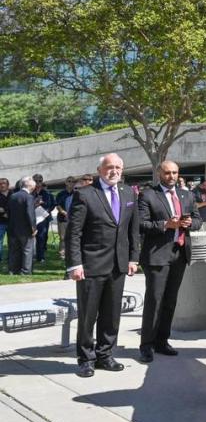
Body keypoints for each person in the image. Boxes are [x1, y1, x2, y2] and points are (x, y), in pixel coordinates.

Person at [66, 153, 140, 377]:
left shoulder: (129, 193)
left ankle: (105, 355)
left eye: (118, 167)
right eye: (109, 167)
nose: (114, 171)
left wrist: (133, 258)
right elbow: (74, 233)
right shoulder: (85, 194)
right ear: (100, 170)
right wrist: (74, 264)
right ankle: (86, 359)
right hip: (91, 265)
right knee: (88, 315)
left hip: (118, 265)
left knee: (112, 314)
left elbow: (132, 229)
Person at [137, 160, 201, 363]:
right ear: (159, 173)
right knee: (155, 300)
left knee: (170, 301)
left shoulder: (187, 195)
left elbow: (198, 220)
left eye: (174, 173)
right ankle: (146, 345)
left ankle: (162, 341)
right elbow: (141, 223)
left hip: (179, 253)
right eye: (167, 173)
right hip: (157, 255)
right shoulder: (148, 195)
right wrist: (166, 224)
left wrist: (191, 223)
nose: (171, 176)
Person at [7, 176, 37, 275]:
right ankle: (25, 271)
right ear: (31, 186)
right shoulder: (29, 197)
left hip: (13, 227)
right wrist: (33, 228)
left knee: (14, 250)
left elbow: (9, 212)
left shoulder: (13, 196)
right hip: (25, 229)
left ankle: (13, 270)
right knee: (27, 250)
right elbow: (30, 214)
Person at [32, 174, 55, 263]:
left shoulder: (47, 193)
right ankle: (31, 255)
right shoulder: (30, 192)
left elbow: (52, 204)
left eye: (40, 181)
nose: (38, 183)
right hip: (32, 217)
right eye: (36, 181)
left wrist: (46, 209)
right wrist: (35, 204)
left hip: (43, 218)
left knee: (41, 237)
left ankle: (40, 257)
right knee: (30, 237)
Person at [55, 177, 77, 259]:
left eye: (73, 181)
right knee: (63, 237)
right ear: (66, 182)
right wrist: (64, 212)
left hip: (74, 218)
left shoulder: (77, 193)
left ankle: (72, 253)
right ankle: (62, 253)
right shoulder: (60, 194)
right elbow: (57, 205)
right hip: (62, 218)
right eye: (69, 181)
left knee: (73, 237)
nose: (71, 183)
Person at [0, 177, 9, 264]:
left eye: (4, 183)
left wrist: (6, 211)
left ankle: (11, 257)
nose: (2, 185)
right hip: (1, 222)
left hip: (11, 222)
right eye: (0, 184)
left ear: (8, 185)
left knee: (12, 241)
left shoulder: (13, 194)